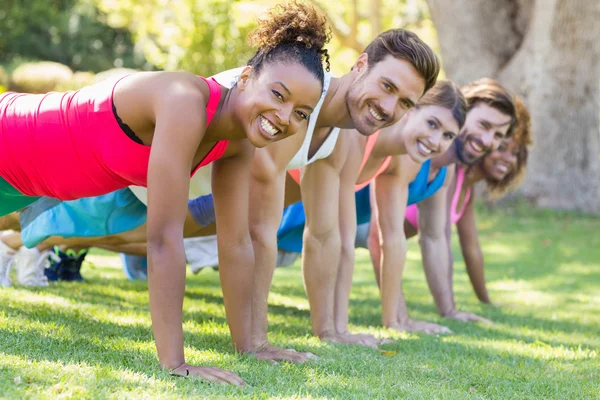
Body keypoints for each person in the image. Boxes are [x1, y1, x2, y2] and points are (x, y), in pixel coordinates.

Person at [7, 28, 441, 357]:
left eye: (405, 103)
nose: (389, 107)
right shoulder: (209, 101)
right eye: (388, 87)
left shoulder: (272, 136)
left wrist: (284, 339)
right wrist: (189, 358)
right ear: (361, 65)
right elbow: (206, 237)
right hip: (47, 153)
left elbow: (269, 240)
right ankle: (24, 245)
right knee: (71, 226)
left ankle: (22, 242)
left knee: (46, 217)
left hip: (58, 179)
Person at [0, 1, 330, 385]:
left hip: (22, 186)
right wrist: (176, 363)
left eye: (301, 113)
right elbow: (164, 238)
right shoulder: (184, 100)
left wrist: (252, 345)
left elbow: (236, 242)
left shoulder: (238, 144)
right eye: (278, 94)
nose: (285, 116)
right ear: (244, 78)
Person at [279, 81, 465, 343]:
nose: (436, 141)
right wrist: (338, 332)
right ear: (411, 109)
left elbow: (391, 239)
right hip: (273, 210)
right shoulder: (359, 135)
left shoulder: (403, 160)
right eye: (432, 124)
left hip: (287, 224)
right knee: (205, 231)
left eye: (448, 136)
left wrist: (397, 322)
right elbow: (340, 239)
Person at [367, 78, 518, 330]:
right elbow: (378, 237)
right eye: (483, 125)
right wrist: (398, 319)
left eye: (498, 135)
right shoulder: (408, 152)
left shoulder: (443, 170)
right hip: (299, 222)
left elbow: (434, 238)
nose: (487, 140)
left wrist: (449, 311)